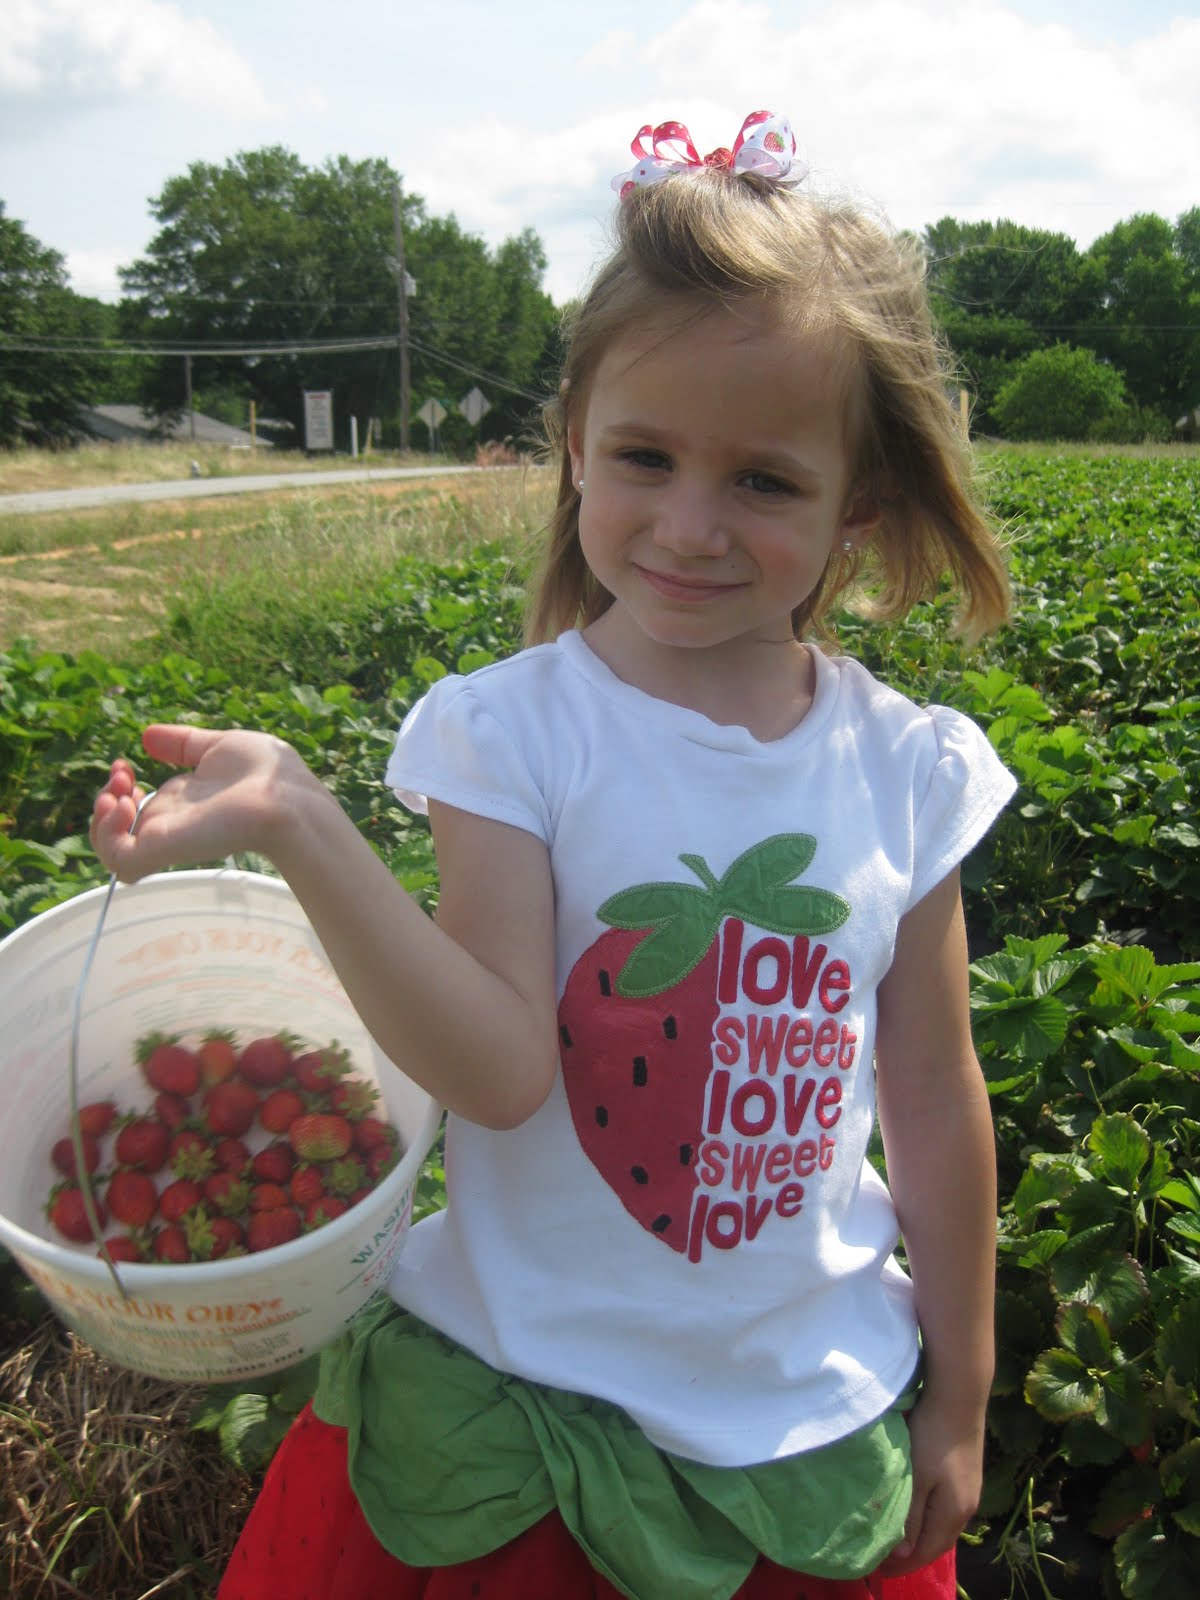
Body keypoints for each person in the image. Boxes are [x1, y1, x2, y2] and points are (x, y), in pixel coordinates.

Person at [91, 111, 1016, 1600]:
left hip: (794, 1409)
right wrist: (299, 823)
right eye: (644, 457)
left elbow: (933, 1094)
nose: (689, 525)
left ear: (862, 499)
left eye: (765, 482)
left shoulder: (904, 768)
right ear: (575, 446)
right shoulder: (511, 734)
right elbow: (507, 1070)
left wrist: (965, 1391)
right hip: (514, 1398)